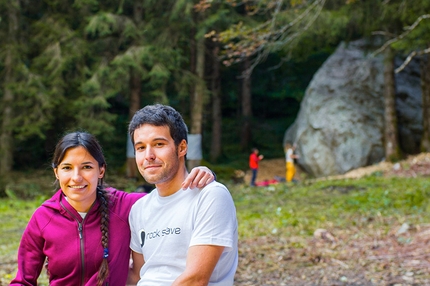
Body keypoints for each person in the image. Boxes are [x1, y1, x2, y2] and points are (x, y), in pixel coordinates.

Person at [10, 131, 215, 286]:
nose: (76, 177)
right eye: (67, 168)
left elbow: (169, 196)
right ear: (56, 173)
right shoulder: (43, 218)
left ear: (101, 170)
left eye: (87, 167)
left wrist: (200, 173)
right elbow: (23, 280)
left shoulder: (125, 206)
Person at [127, 104, 238, 285]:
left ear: (182, 147)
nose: (149, 155)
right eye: (140, 148)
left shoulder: (210, 196)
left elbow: (195, 280)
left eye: (159, 144)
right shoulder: (139, 209)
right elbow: (139, 275)